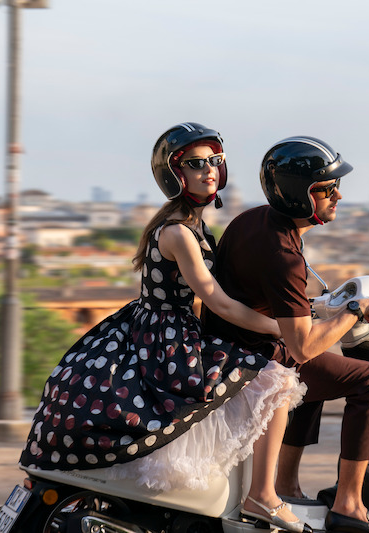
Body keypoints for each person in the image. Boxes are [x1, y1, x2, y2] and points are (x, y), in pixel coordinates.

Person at [19, 123, 309, 533]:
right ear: (176, 175)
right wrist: (283, 329)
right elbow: (218, 301)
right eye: (196, 164)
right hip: (168, 338)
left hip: (160, 329)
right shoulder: (178, 233)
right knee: (276, 381)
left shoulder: (189, 225)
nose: (209, 170)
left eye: (215, 162)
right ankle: (263, 496)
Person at [204, 136, 369, 533]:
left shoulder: (253, 220)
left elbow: (266, 298)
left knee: (321, 372)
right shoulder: (283, 253)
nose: (339, 196)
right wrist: (355, 310)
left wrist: (317, 307)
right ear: (302, 195)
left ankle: (286, 482)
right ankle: (349, 503)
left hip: (227, 346)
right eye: (328, 189)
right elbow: (301, 344)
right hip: (251, 358)